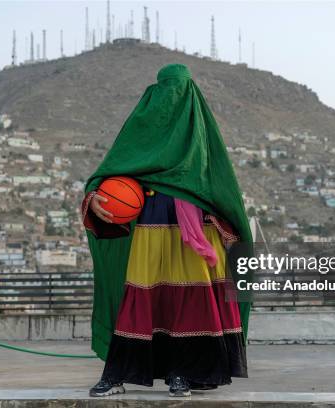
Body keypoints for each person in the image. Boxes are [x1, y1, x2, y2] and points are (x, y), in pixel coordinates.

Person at [81, 63, 252, 397]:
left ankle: (184, 373)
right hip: (149, 230)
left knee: (192, 301)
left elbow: (222, 190)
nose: (170, 96)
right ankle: (117, 373)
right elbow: (111, 171)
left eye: (177, 88)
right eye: (166, 88)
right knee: (141, 299)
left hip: (198, 233)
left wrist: (228, 229)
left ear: (190, 94)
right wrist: (96, 199)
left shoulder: (201, 135)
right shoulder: (141, 128)